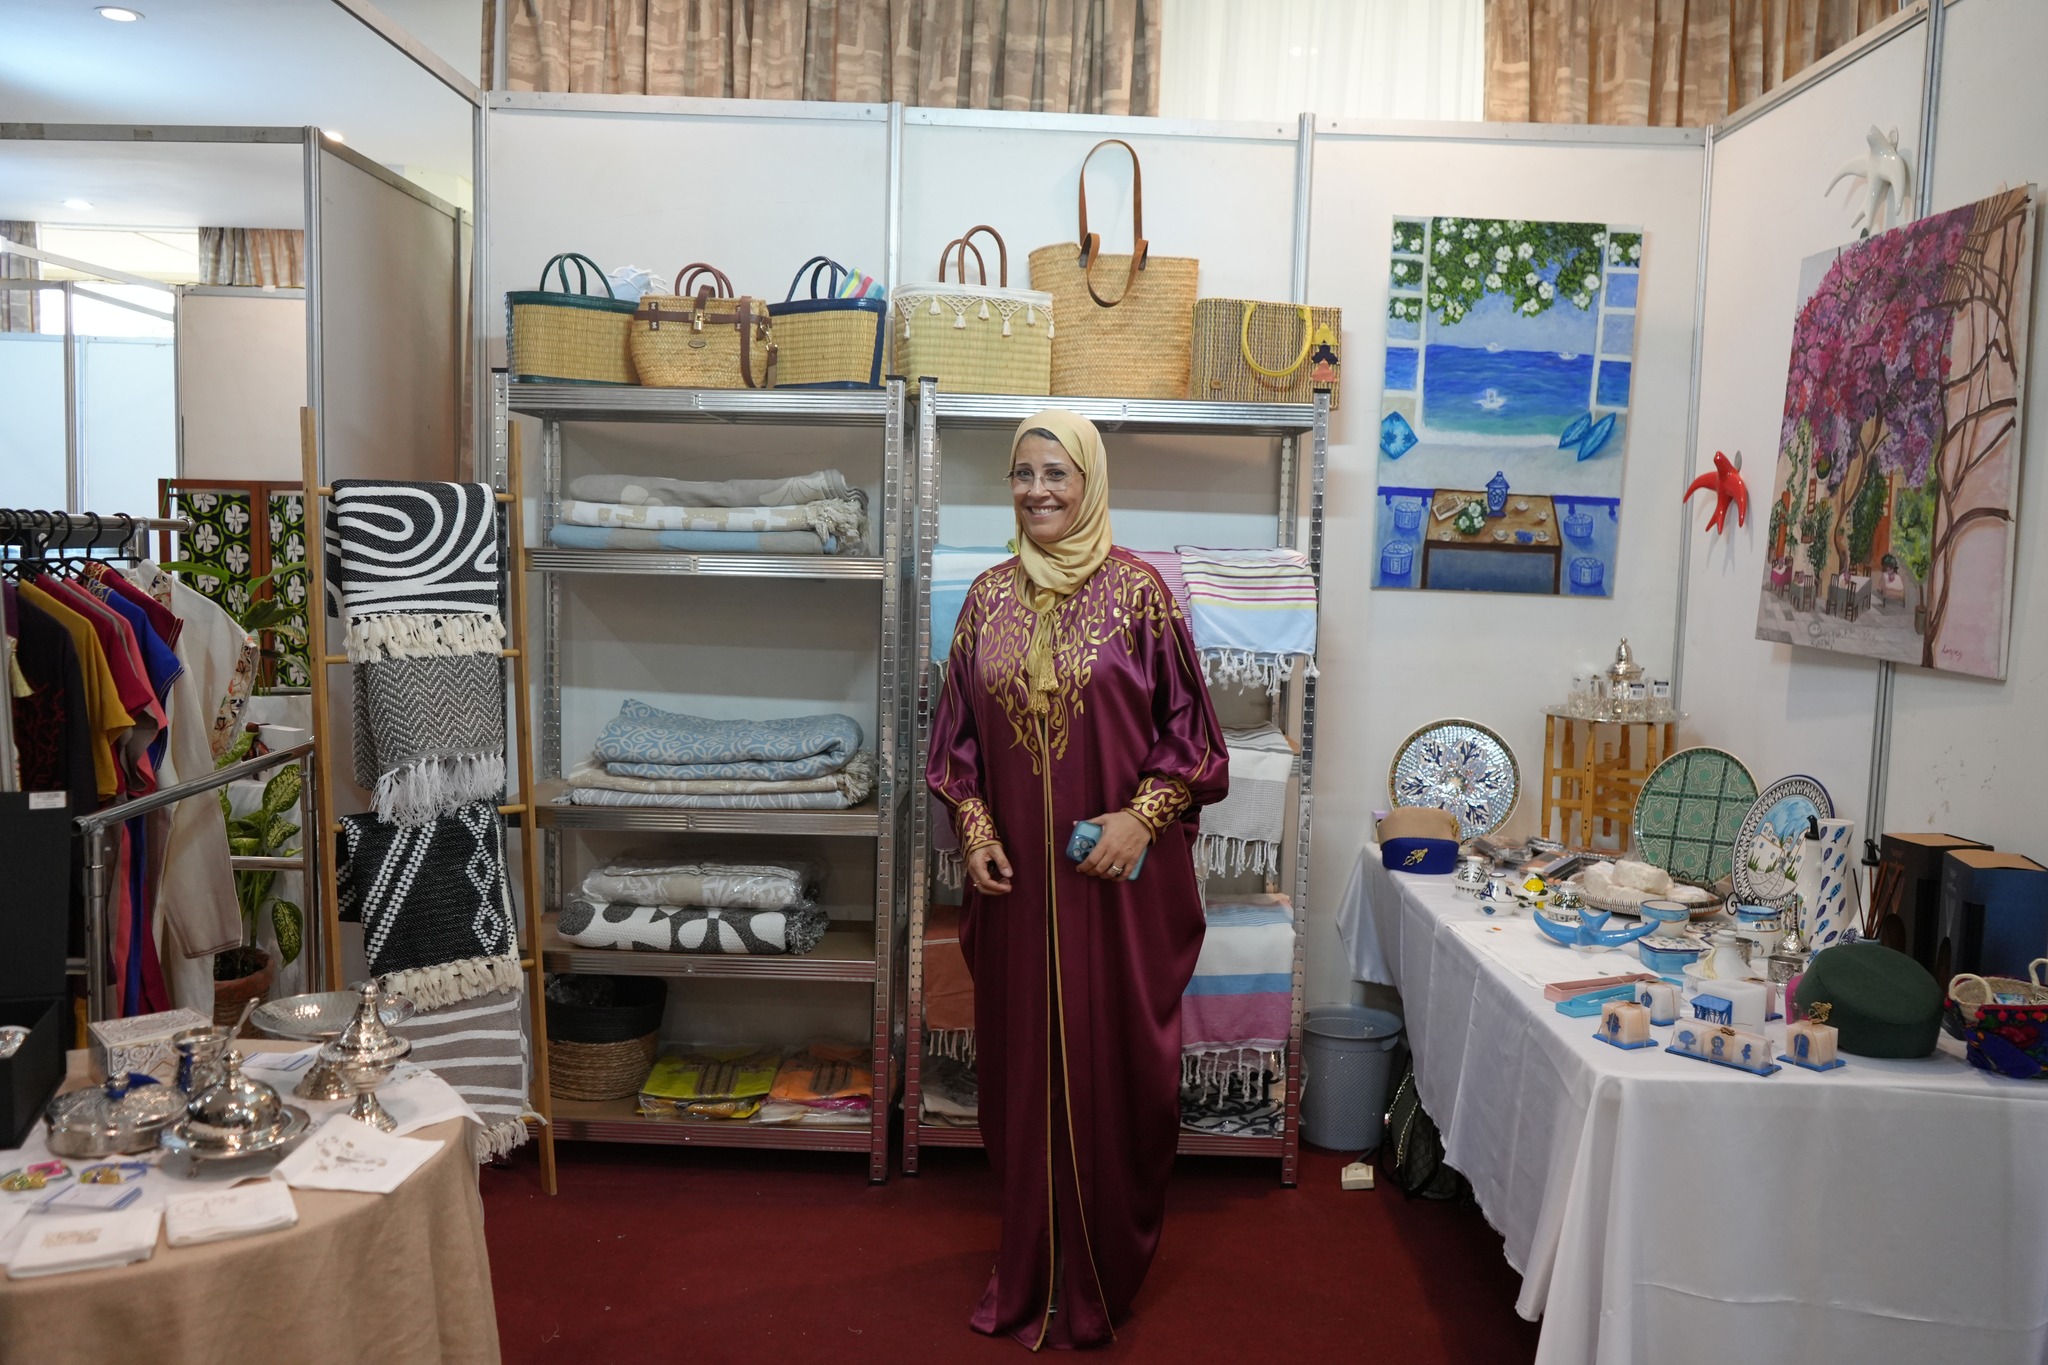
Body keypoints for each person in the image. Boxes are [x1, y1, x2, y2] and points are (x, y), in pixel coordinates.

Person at [928, 409, 1227, 1349]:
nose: (1038, 490)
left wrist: (1142, 817)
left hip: (1116, 891)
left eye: (1056, 473)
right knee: (1021, 1075)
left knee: (1117, 1073)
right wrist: (975, 827)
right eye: (1023, 473)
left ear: (1089, 482)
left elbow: (1195, 738)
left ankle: (1102, 1267)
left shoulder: (1141, 595)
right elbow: (953, 742)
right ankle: (1028, 1259)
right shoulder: (984, 599)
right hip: (1020, 895)